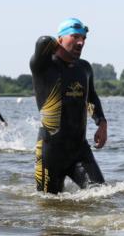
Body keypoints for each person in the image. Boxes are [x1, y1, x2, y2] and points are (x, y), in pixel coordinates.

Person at [29, 18, 107, 194]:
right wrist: (54, 45)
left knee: (101, 195)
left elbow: (91, 98)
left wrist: (101, 122)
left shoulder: (85, 68)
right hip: (50, 151)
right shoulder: (44, 66)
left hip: (79, 149)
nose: (81, 42)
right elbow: (42, 42)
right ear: (60, 39)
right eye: (75, 37)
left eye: (84, 38)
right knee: (48, 205)